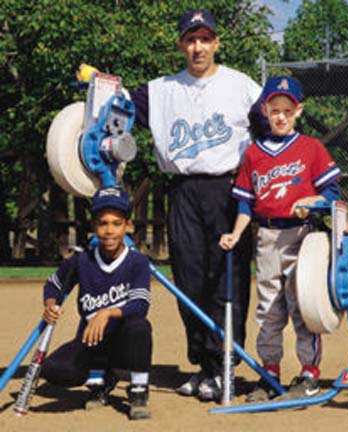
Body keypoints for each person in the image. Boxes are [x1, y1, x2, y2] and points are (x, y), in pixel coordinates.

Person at [78, 9, 263, 402]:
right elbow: (118, 112)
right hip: (181, 191)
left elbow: (270, 135)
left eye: (205, 39)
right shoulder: (160, 90)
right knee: (190, 279)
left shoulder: (242, 86)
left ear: (216, 43)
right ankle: (203, 365)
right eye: (190, 39)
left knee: (226, 278)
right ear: (181, 44)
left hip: (227, 190)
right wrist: (98, 86)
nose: (198, 47)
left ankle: (224, 363)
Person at [219, 76, 343, 402]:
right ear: (266, 110)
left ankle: (308, 373)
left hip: (303, 236)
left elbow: (332, 194)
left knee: (303, 304)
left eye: (288, 110)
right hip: (268, 236)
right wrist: (235, 233)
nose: (281, 116)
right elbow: (246, 201)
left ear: (298, 110)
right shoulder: (254, 154)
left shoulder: (311, 148)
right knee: (269, 307)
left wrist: (311, 203)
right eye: (275, 110)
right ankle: (270, 372)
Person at [40, 187, 152, 420]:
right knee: (53, 369)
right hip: (92, 342)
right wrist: (50, 304)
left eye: (116, 223)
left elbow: (140, 304)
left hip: (124, 342)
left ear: (127, 226)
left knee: (139, 326)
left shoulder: (137, 262)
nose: (109, 230)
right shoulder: (82, 260)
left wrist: (106, 313)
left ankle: (139, 391)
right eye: (103, 223)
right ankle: (103, 380)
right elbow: (53, 285)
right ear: (94, 226)